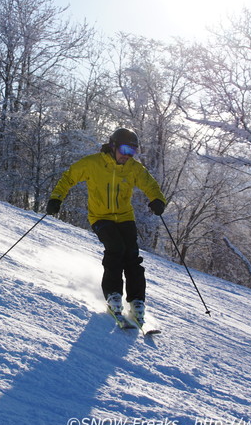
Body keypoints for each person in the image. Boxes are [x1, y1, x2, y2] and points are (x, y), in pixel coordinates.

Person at [46, 128, 166, 324]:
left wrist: (157, 200)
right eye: (125, 149)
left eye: (132, 151)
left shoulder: (133, 168)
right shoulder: (93, 164)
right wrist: (56, 198)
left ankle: (136, 300)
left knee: (132, 255)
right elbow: (69, 177)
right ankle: (113, 295)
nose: (127, 155)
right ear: (113, 145)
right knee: (115, 249)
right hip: (100, 217)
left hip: (125, 217)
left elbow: (150, 185)